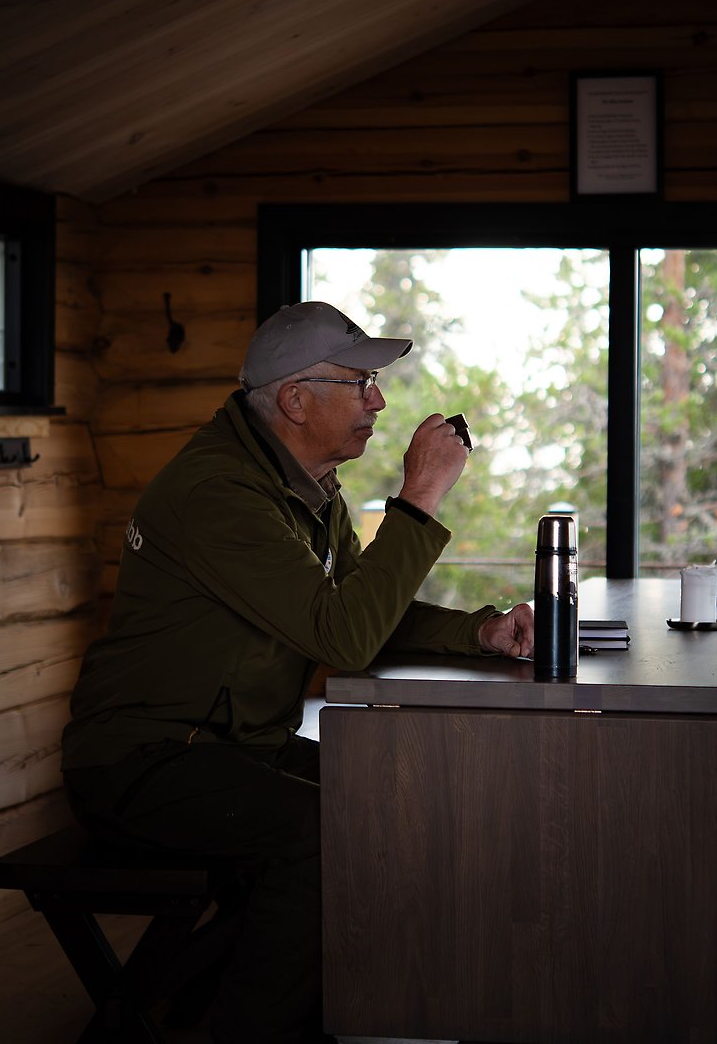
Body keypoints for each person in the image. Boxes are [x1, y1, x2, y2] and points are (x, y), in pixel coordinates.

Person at [61, 300, 534, 1044]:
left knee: (385, 794)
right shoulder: (219, 493)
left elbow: (359, 612)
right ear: (294, 398)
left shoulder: (304, 485)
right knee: (320, 834)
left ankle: (302, 1010)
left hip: (229, 746)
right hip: (142, 761)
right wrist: (420, 498)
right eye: (361, 383)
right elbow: (343, 635)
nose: (379, 401)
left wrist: (480, 630)